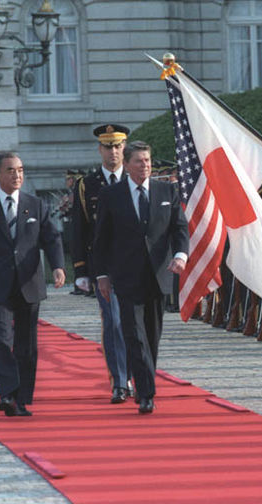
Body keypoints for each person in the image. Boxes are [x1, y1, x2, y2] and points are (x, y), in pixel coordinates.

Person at [93, 142, 189, 414]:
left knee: (151, 335)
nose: (145, 165)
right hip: (125, 276)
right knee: (133, 334)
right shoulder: (112, 195)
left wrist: (181, 254)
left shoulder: (166, 190)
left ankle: (144, 380)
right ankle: (146, 393)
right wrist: (101, 275)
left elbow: (179, 228)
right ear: (127, 164)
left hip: (159, 275)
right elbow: (102, 239)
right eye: (139, 161)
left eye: (148, 160)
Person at [0, 152, 65, 417]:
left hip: (28, 284)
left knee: (26, 345)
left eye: (20, 170)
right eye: (10, 170)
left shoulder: (36, 205)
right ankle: (7, 394)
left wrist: (57, 266)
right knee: (1, 340)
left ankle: (22, 398)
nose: (17, 175)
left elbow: (51, 237)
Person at [72, 124, 131, 403]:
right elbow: (79, 229)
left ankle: (137, 374)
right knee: (114, 322)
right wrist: (81, 270)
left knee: (139, 325)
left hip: (136, 264)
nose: (114, 152)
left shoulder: (136, 178)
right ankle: (120, 380)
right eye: (108, 146)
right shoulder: (88, 185)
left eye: (118, 146)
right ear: (100, 149)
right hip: (105, 267)